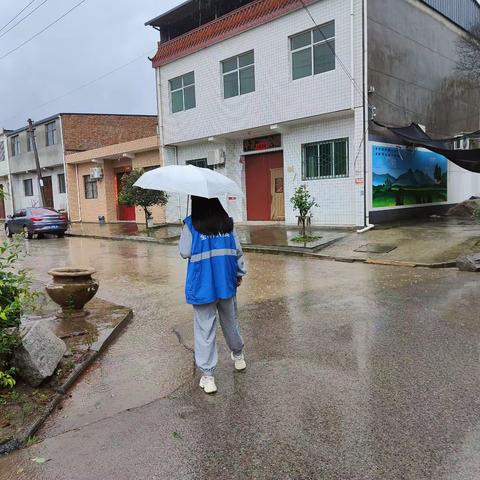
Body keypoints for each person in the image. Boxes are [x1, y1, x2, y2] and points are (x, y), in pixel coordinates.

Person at [179, 196, 247, 394]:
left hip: (203, 286)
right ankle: (239, 356)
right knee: (230, 322)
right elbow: (237, 252)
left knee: (204, 330)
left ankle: (208, 378)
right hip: (225, 283)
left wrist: (183, 230)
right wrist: (239, 274)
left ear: (196, 203)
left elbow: (184, 252)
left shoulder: (191, 225)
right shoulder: (227, 224)